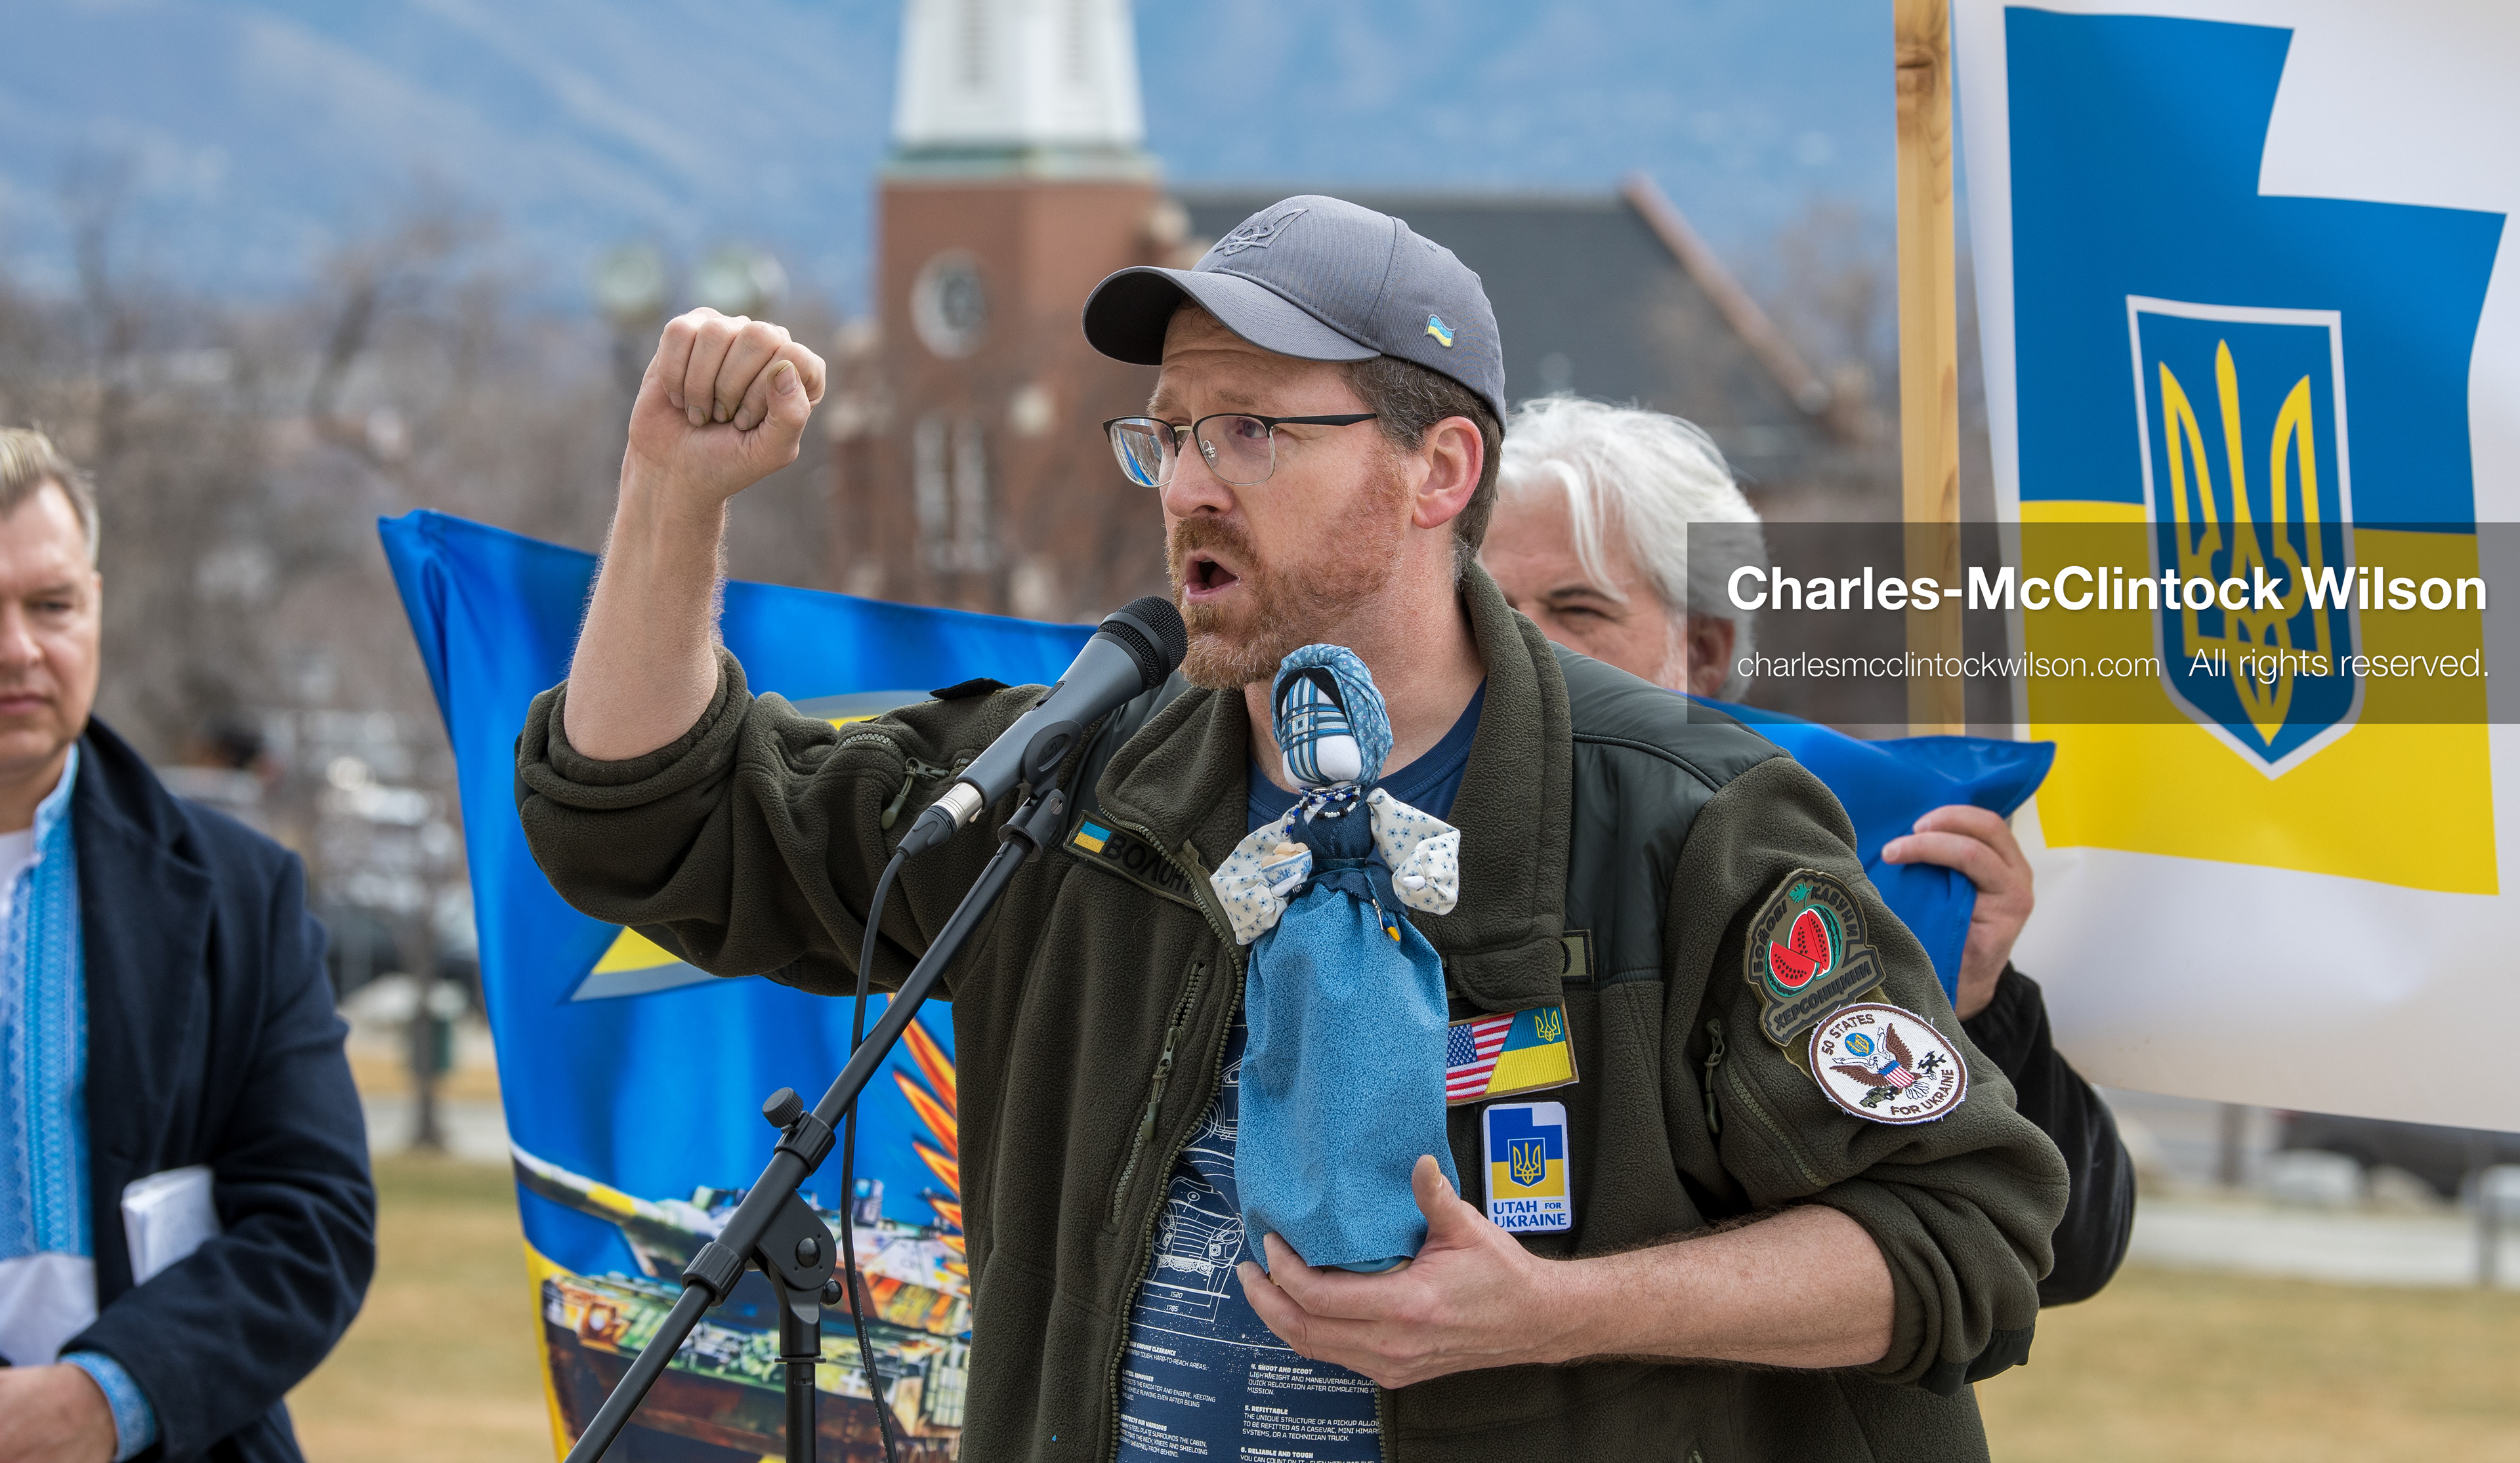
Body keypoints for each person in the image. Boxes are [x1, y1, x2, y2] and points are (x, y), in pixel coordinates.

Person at [516, 196, 2067, 1460]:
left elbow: (1967, 1226)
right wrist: (672, 492)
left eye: (1254, 431)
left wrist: (1553, 1308)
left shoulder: (1682, 821)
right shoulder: (1067, 782)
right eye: (1171, 433)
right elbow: (658, 818)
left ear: (1437, 468)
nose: (1189, 482)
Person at [1482, 394, 2134, 1304]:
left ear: (1701, 652)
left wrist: (1978, 1004)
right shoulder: (1368, 836)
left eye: (1576, 607)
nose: (1519, 643)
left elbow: (2060, 1248)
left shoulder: (1817, 862)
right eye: (1484, 603)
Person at [0, 430, 375, 1463]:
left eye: (51, 605)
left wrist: (99, 1401)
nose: (19, 650)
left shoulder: (238, 894)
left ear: (98, 607)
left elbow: (316, 1224)